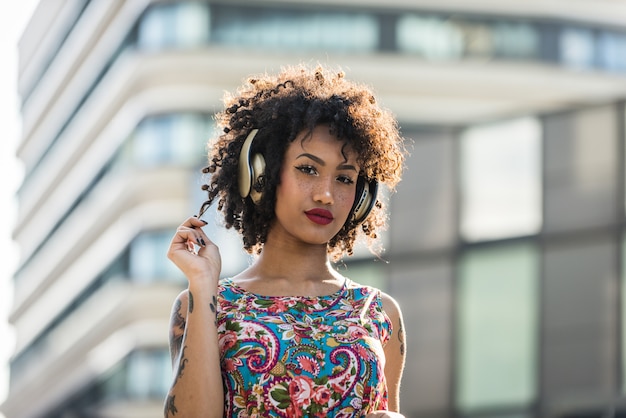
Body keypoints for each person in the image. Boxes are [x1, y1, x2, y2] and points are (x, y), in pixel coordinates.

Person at [164, 64, 407, 418]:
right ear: (261, 174)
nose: (326, 194)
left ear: (362, 195)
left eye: (344, 178)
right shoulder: (203, 305)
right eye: (308, 169)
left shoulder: (381, 313)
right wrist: (203, 287)